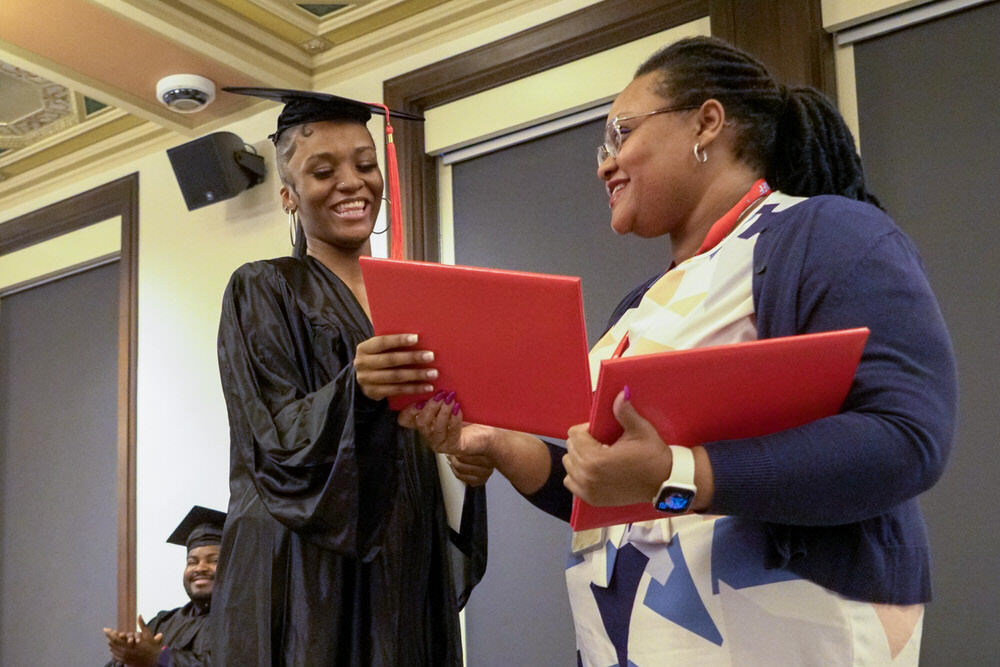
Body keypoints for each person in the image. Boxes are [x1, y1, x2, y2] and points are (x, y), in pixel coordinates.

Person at [356, 36, 956, 665]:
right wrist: (502, 445)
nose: (603, 164)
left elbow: (905, 437)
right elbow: (612, 495)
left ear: (707, 122)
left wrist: (675, 473)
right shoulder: (637, 308)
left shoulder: (824, 233)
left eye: (620, 133)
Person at [211, 87, 489, 666]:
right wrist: (354, 388)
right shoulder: (265, 286)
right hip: (308, 566)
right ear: (288, 196)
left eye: (366, 165)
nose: (352, 182)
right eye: (322, 170)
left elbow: (439, 432)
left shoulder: (418, 295)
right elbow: (272, 436)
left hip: (405, 551)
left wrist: (464, 456)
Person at [102, 505, 224, 667]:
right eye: (191, 562)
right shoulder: (163, 623)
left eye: (213, 560)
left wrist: (160, 656)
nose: (200, 568)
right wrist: (127, 656)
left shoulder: (243, 621)